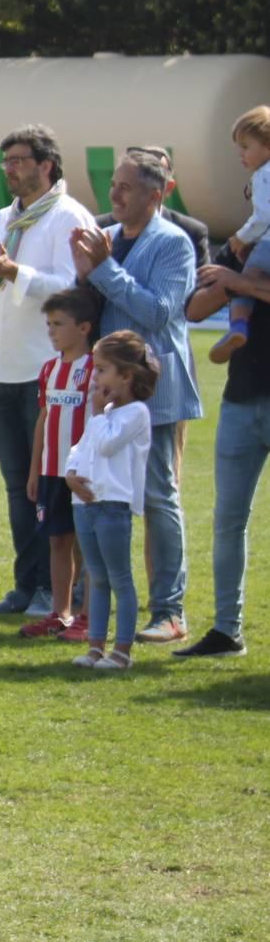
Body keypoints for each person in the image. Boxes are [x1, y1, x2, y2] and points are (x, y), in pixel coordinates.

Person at [0, 125, 91, 619]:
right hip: (1, 369)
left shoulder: (69, 217)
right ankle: (26, 586)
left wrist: (15, 273)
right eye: (4, 160)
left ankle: (59, 591)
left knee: (50, 485)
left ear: (47, 164)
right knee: (17, 486)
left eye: (19, 160)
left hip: (45, 372)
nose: (8, 169)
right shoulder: (6, 217)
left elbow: (74, 290)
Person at [73, 147, 202, 646]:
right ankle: (98, 602)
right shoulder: (106, 238)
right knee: (101, 489)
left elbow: (159, 312)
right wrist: (81, 273)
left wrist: (103, 270)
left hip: (155, 394)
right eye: (114, 185)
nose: (114, 195)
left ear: (157, 194)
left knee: (157, 497)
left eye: (125, 187)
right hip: (107, 394)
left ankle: (169, 611)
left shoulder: (174, 244)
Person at [179, 239, 267, 657]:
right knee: (228, 521)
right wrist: (231, 283)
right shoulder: (246, 243)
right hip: (240, 401)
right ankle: (226, 630)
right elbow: (194, 310)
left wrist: (242, 284)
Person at [65, 331, 160, 671]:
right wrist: (70, 473)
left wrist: (95, 413)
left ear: (127, 375)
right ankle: (95, 646)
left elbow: (106, 445)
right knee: (97, 577)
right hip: (86, 505)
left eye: (102, 370)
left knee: (119, 578)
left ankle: (121, 651)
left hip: (113, 506)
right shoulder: (103, 414)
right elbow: (82, 447)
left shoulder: (135, 414)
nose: (96, 377)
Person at [22, 287, 99, 641]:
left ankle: (88, 616)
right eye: (49, 324)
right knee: (57, 540)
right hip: (52, 470)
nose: (51, 331)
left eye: (58, 324)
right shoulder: (50, 369)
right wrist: (35, 469)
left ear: (84, 327)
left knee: (86, 542)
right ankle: (60, 611)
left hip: (83, 473)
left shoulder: (96, 368)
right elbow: (43, 419)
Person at [210, 105, 270, 364]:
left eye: (246, 147)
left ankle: (238, 326)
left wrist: (240, 238)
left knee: (242, 281)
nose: (240, 154)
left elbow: (263, 218)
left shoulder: (262, 175)